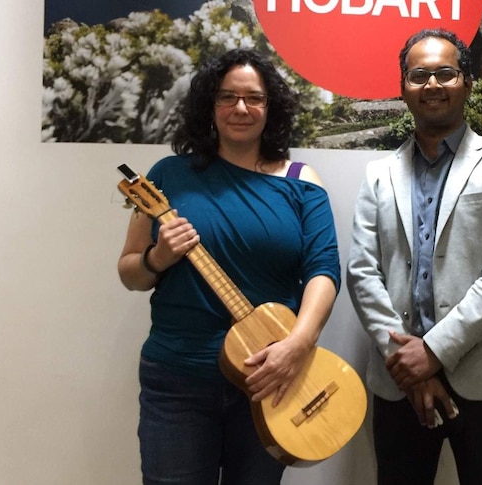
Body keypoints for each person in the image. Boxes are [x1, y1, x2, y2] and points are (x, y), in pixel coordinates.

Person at [117, 48, 340, 485]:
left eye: (253, 98)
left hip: (272, 380)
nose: (241, 108)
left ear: (270, 107)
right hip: (178, 379)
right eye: (227, 97)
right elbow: (129, 271)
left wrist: (298, 345)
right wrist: (158, 258)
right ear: (209, 106)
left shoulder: (301, 181)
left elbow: (324, 271)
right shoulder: (167, 175)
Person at [346, 29, 482, 485]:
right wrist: (409, 365)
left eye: (445, 73)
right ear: (403, 87)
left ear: (467, 83)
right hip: (399, 383)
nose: (431, 84)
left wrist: (433, 351)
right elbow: (362, 272)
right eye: (419, 75)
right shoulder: (378, 175)